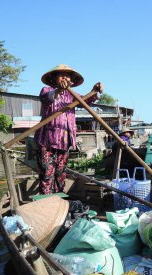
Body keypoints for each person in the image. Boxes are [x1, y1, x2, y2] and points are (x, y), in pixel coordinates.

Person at [34, 64, 103, 194]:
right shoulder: (46, 90)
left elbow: (85, 101)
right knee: (47, 173)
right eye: (62, 75)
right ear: (55, 78)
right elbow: (47, 97)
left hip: (64, 141)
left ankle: (60, 198)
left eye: (67, 76)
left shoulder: (72, 95)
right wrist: (59, 89)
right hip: (47, 140)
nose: (65, 78)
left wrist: (94, 91)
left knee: (60, 173)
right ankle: (46, 201)